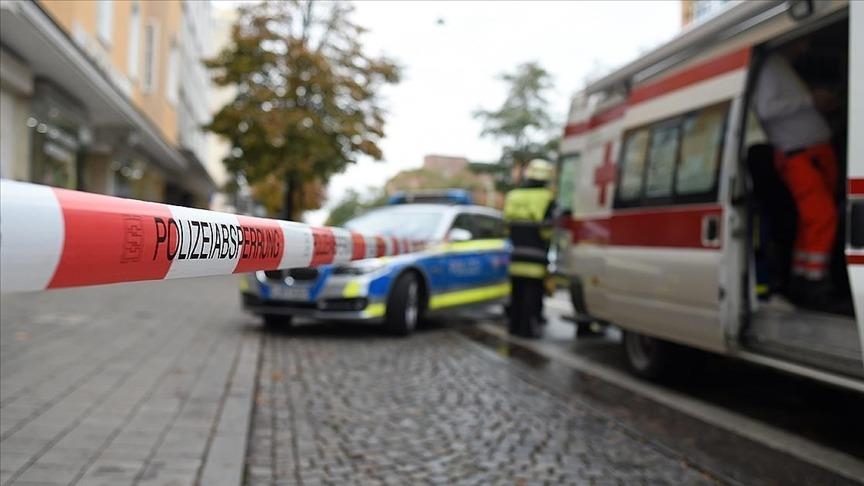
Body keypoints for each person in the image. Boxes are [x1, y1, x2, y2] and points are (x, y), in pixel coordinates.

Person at [751, 41, 839, 310]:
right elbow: (766, 109)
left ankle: (803, 278)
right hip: (799, 156)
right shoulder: (769, 66)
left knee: (812, 221)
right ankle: (815, 283)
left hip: (811, 154)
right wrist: (810, 100)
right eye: (801, 43)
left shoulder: (779, 67)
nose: (804, 49)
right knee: (822, 218)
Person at [503, 158, 556, 338]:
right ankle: (526, 331)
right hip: (536, 256)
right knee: (531, 295)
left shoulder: (513, 196)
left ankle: (513, 328)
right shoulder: (547, 197)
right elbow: (548, 230)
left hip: (516, 254)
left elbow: (507, 226)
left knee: (516, 294)